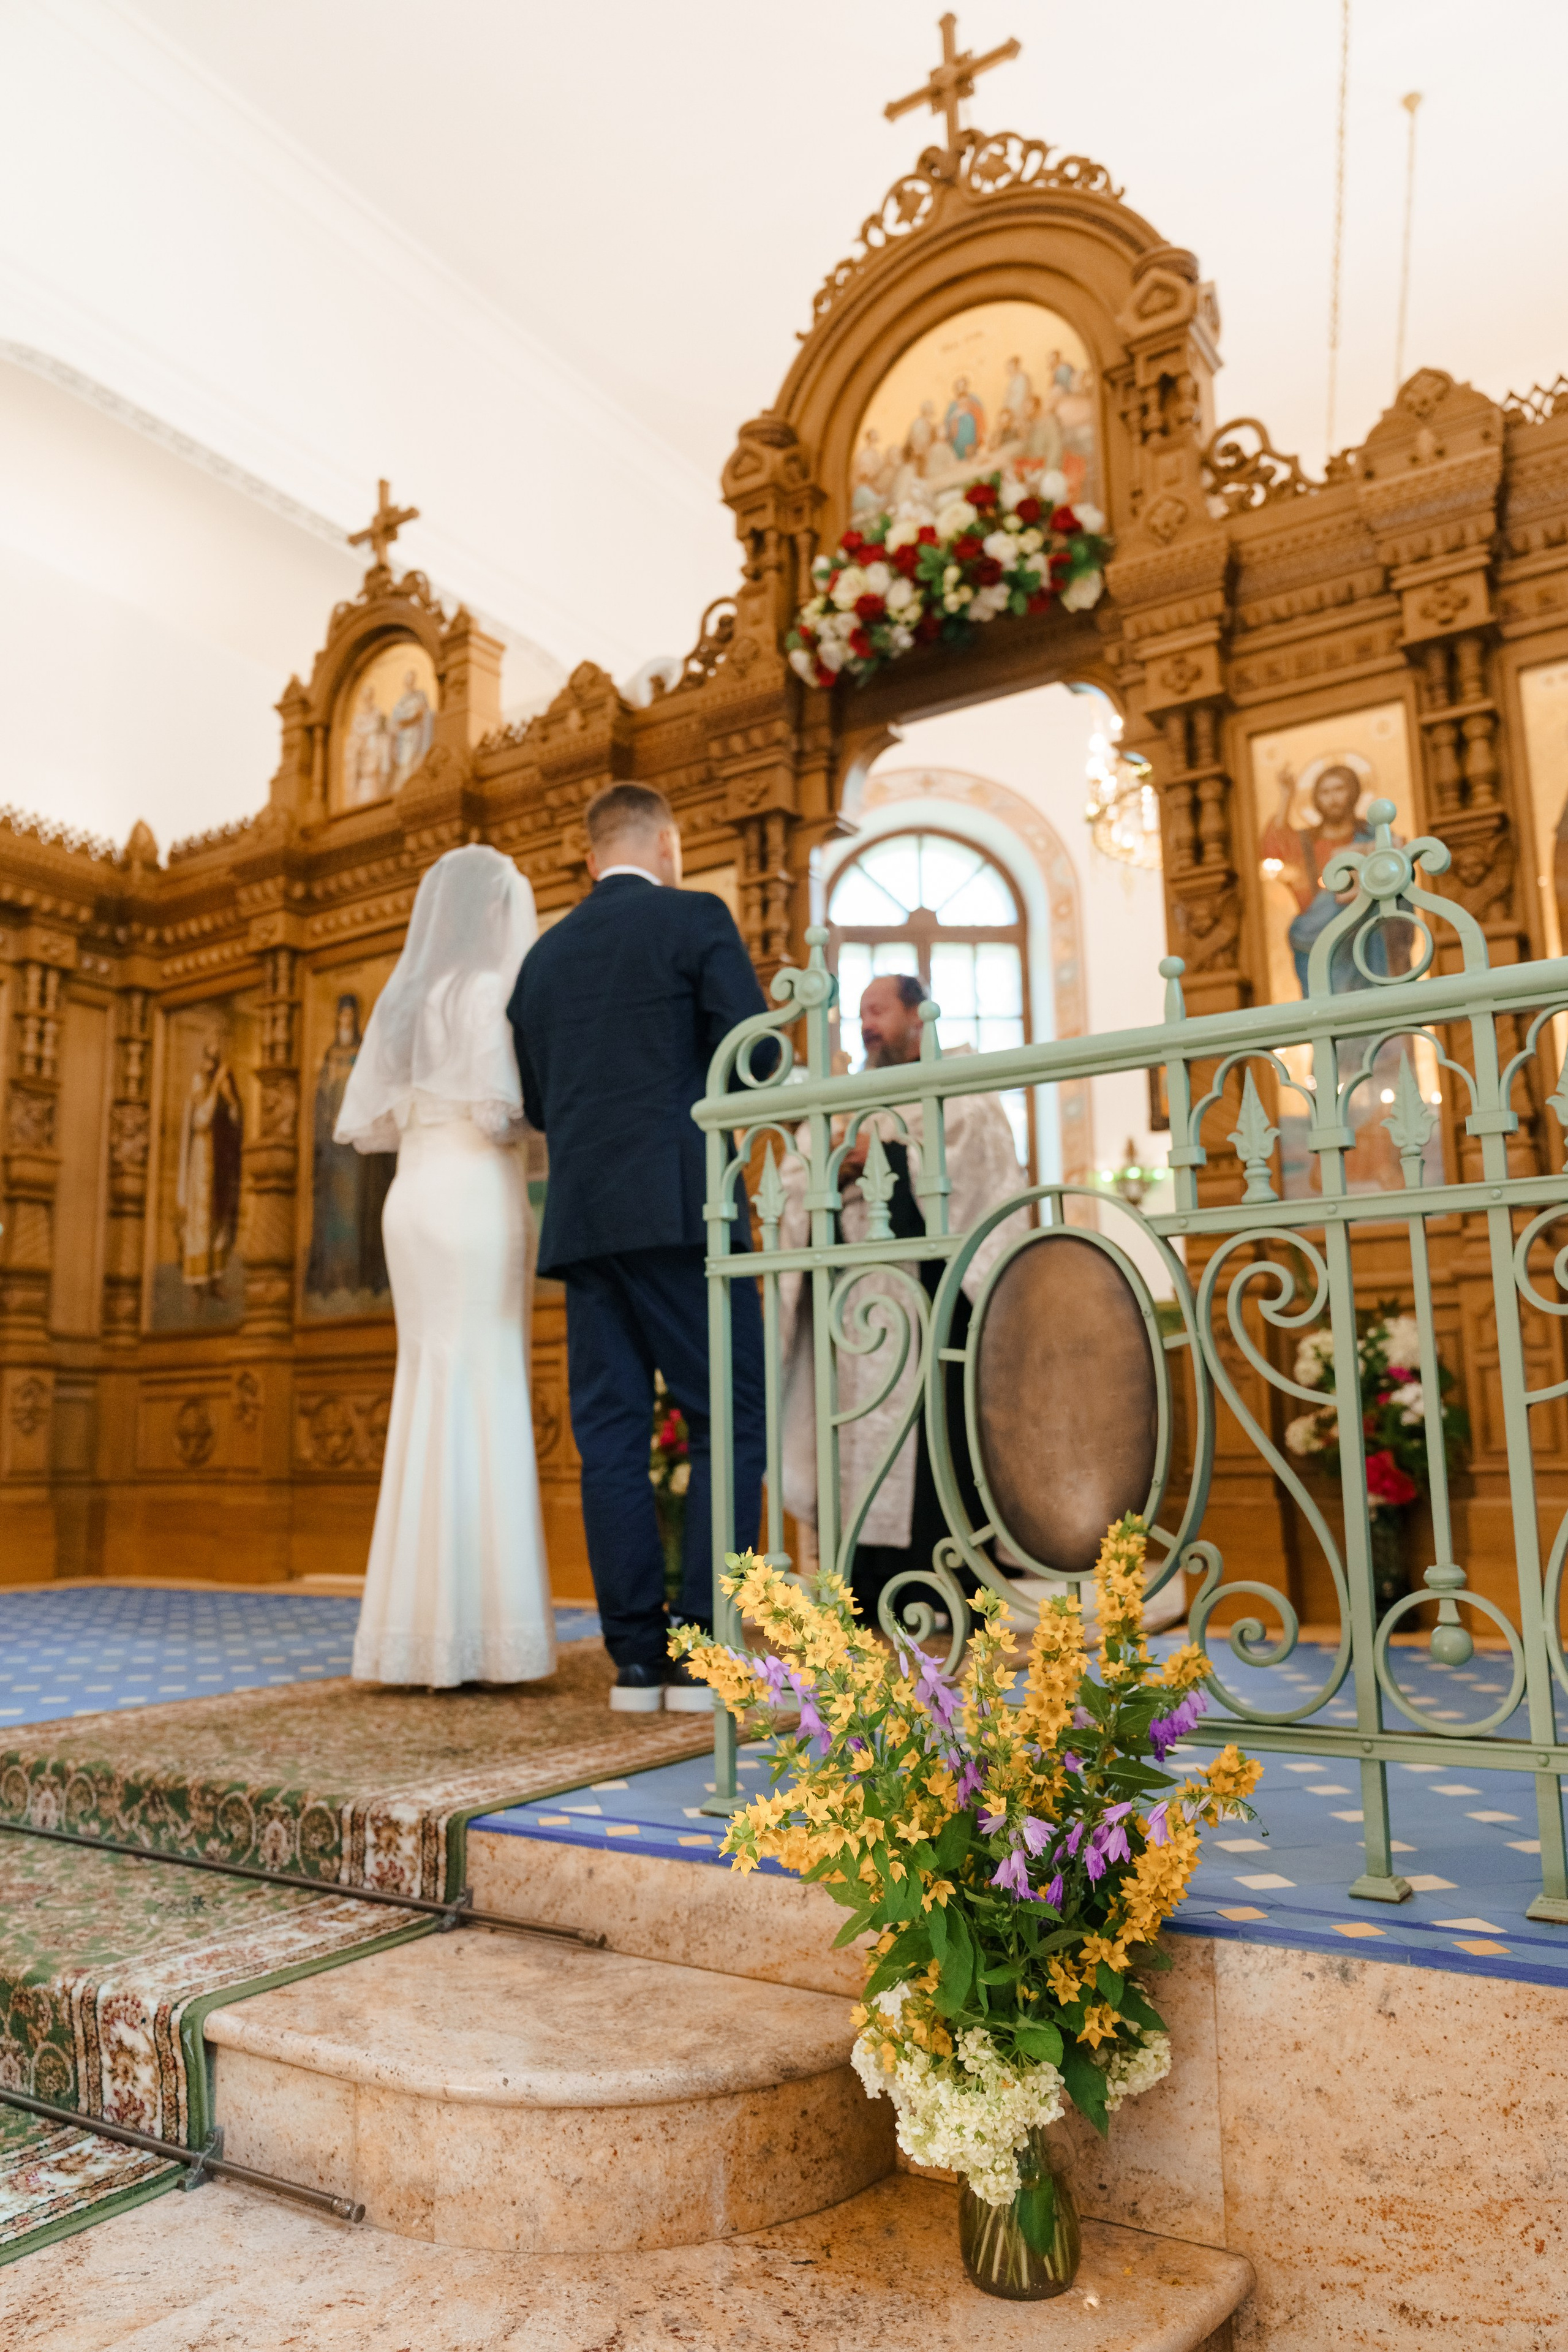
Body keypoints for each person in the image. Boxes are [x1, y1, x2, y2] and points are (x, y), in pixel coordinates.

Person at [508, 783, 770, 1713]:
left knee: (611, 1436)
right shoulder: (694, 915)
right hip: (684, 1209)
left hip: (584, 1224)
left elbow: (539, 1107)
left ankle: (634, 1661)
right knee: (733, 1419)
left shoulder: (542, 961)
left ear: (589, 858)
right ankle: (706, 1655)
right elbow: (758, 1057)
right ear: (668, 842)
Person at [336, 845, 555, 1687]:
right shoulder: (496, 991)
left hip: (413, 1196)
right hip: (471, 1193)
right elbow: (505, 1116)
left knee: (428, 1385)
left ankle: (412, 1629)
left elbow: (383, 1113)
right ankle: (489, 1637)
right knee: (486, 1379)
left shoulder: (413, 994)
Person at [776, 973, 1028, 1631]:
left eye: (878, 1011)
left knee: (940, 1443)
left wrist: (881, 1155)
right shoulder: (842, 1098)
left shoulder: (962, 1092)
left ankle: (949, 1589)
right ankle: (864, 1590)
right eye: (860, 1013)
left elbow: (979, 1190)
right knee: (857, 1442)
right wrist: (842, 1167)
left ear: (918, 1018)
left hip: (936, 1302)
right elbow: (794, 1183)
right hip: (856, 1307)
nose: (866, 1025)